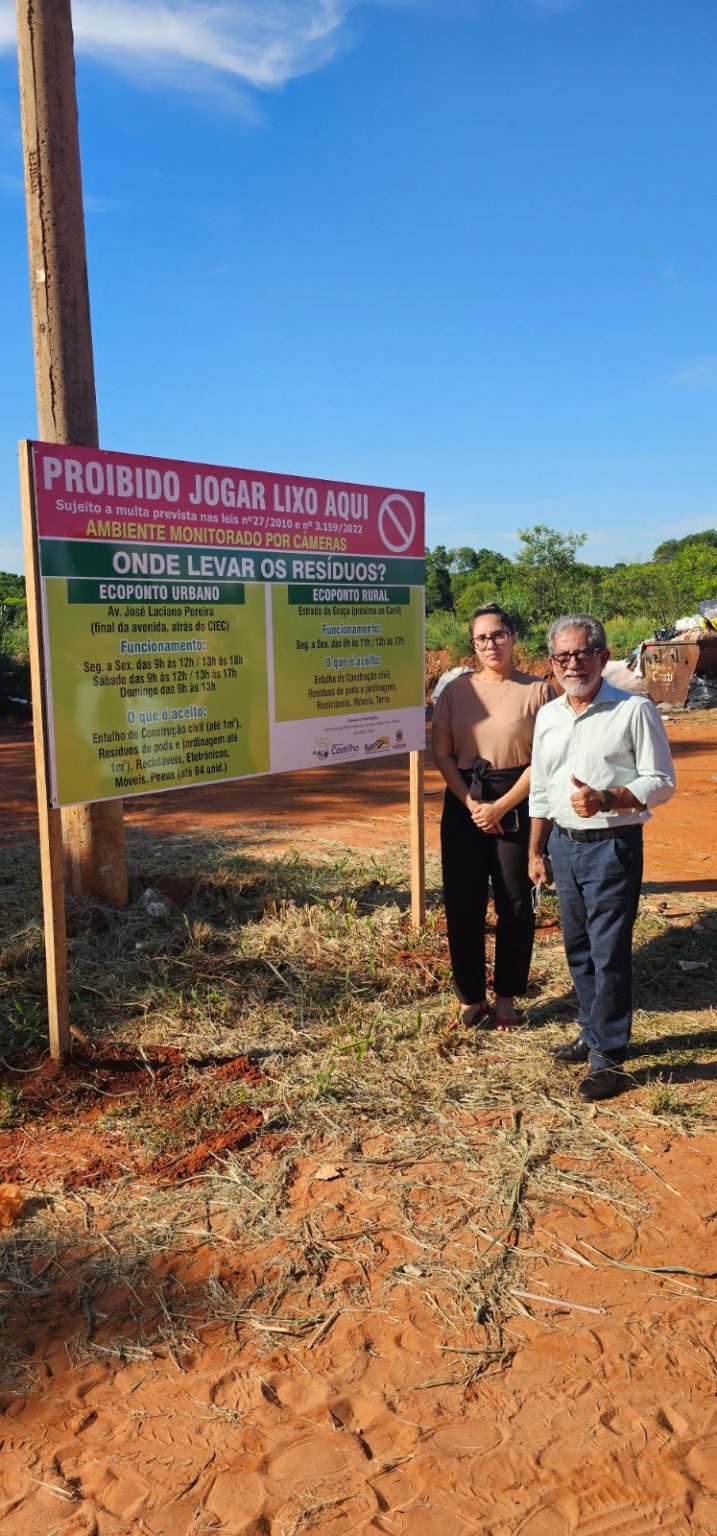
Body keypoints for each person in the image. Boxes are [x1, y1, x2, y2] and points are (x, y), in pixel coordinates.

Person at [528, 614, 675, 1102]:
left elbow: (662, 781)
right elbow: (542, 789)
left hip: (612, 846)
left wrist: (608, 798)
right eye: (563, 656)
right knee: (578, 947)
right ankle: (591, 1031)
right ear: (552, 663)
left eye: (582, 654)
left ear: (603, 657)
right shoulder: (549, 715)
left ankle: (608, 1055)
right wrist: (535, 849)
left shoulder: (634, 710)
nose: (573, 665)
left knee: (608, 952)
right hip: (562, 845)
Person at [432, 604, 551, 1031]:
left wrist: (500, 806)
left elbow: (545, 759)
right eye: (482, 638)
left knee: (515, 902)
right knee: (462, 901)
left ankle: (506, 998)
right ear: (473, 644)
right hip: (464, 799)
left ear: (513, 637)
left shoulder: (538, 691)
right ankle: (470, 997)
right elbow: (442, 754)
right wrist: (472, 805)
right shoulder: (455, 691)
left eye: (498, 635)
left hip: (517, 799)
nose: (491, 644)